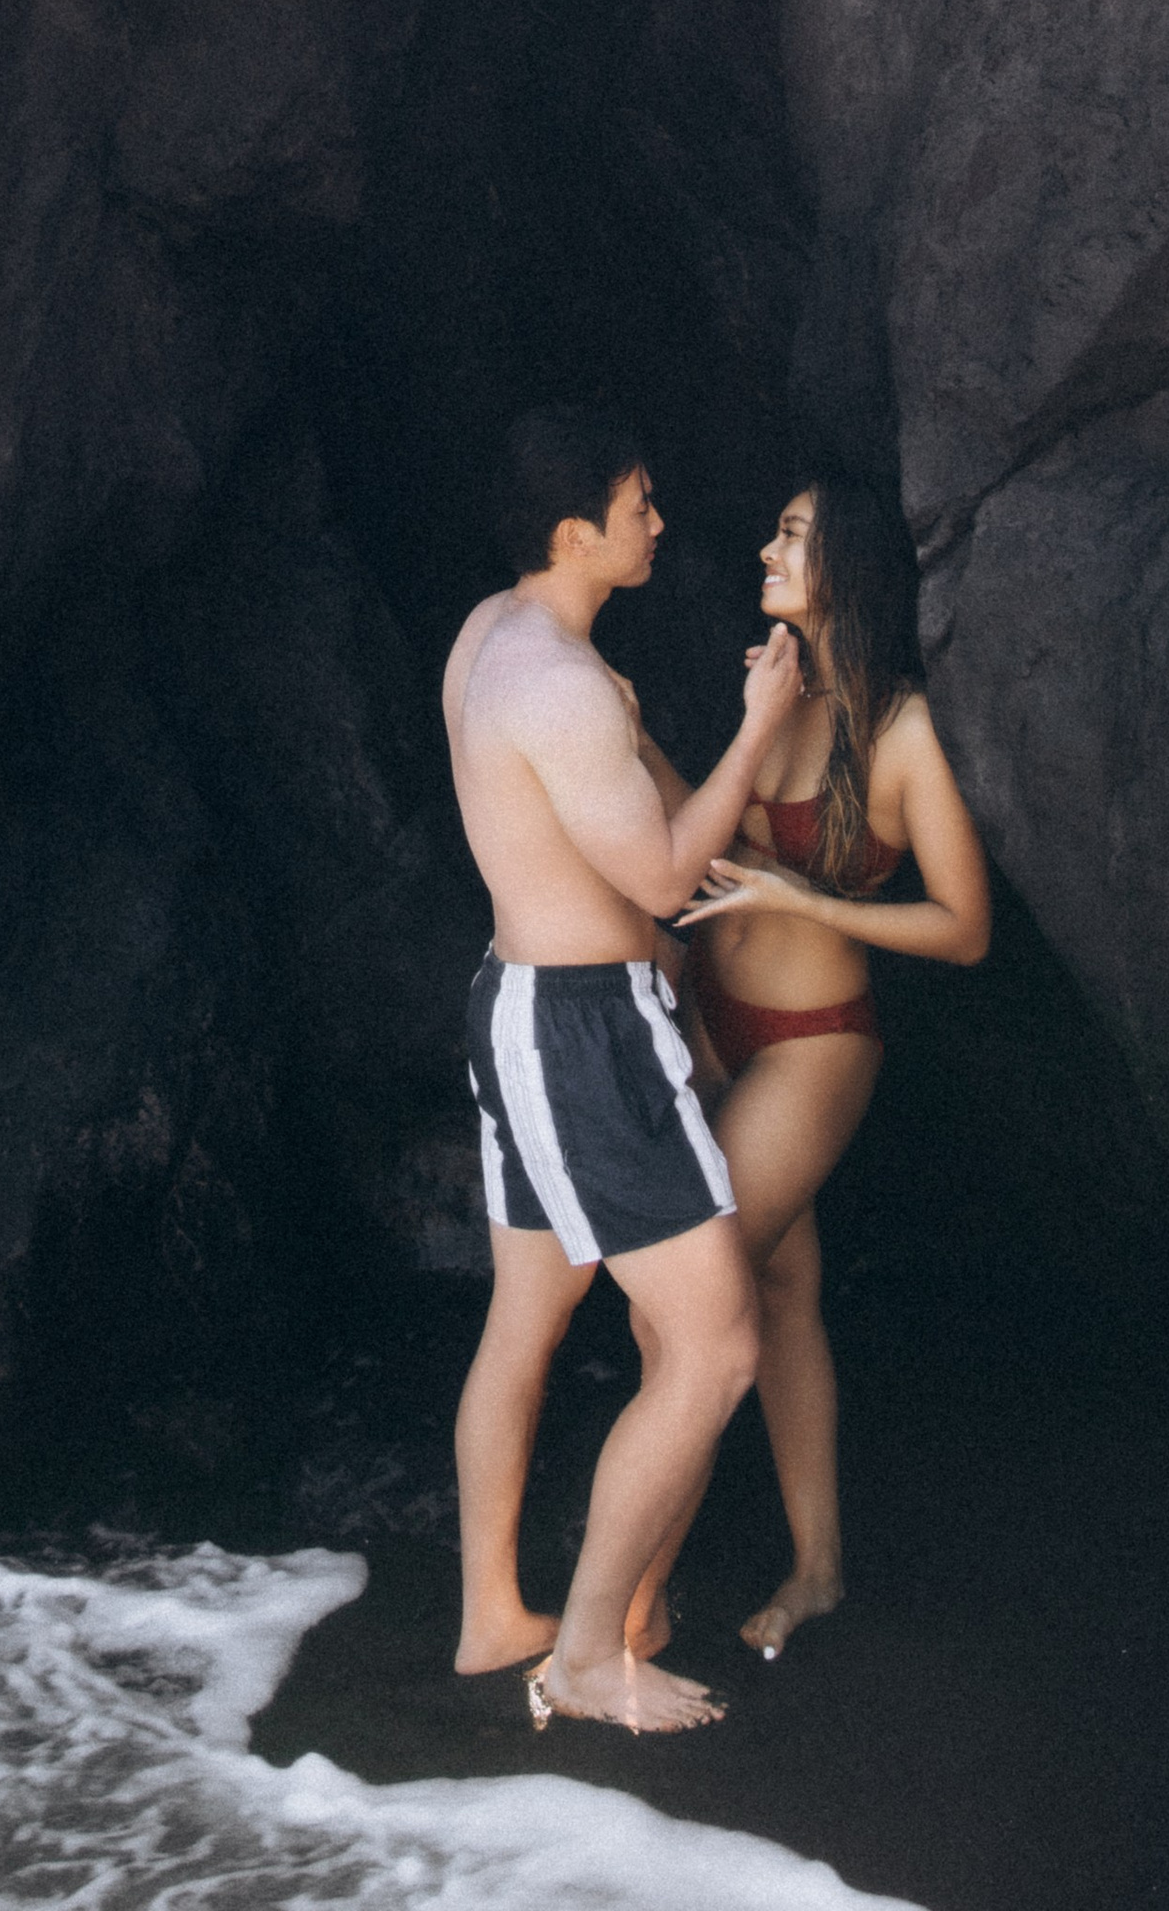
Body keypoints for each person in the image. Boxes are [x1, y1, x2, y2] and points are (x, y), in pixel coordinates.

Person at [442, 404, 806, 1732]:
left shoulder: (494, 632)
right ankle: (592, 1654)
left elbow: (619, 810)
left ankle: (496, 1614)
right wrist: (761, 725)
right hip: (586, 1033)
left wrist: (651, 741)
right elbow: (660, 876)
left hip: (519, 1006)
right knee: (715, 1344)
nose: (659, 520)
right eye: (640, 501)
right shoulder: (562, 684)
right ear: (578, 529)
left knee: (526, 1318)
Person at [676, 473, 991, 1663]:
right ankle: (816, 1572)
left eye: (790, 535)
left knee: (694, 1291)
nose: (763, 544)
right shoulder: (782, 685)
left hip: (811, 1047)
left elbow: (964, 926)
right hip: (708, 1013)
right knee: (777, 1291)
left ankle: (629, 1595)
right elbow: (712, 839)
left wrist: (813, 897)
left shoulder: (900, 727)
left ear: (844, 567)